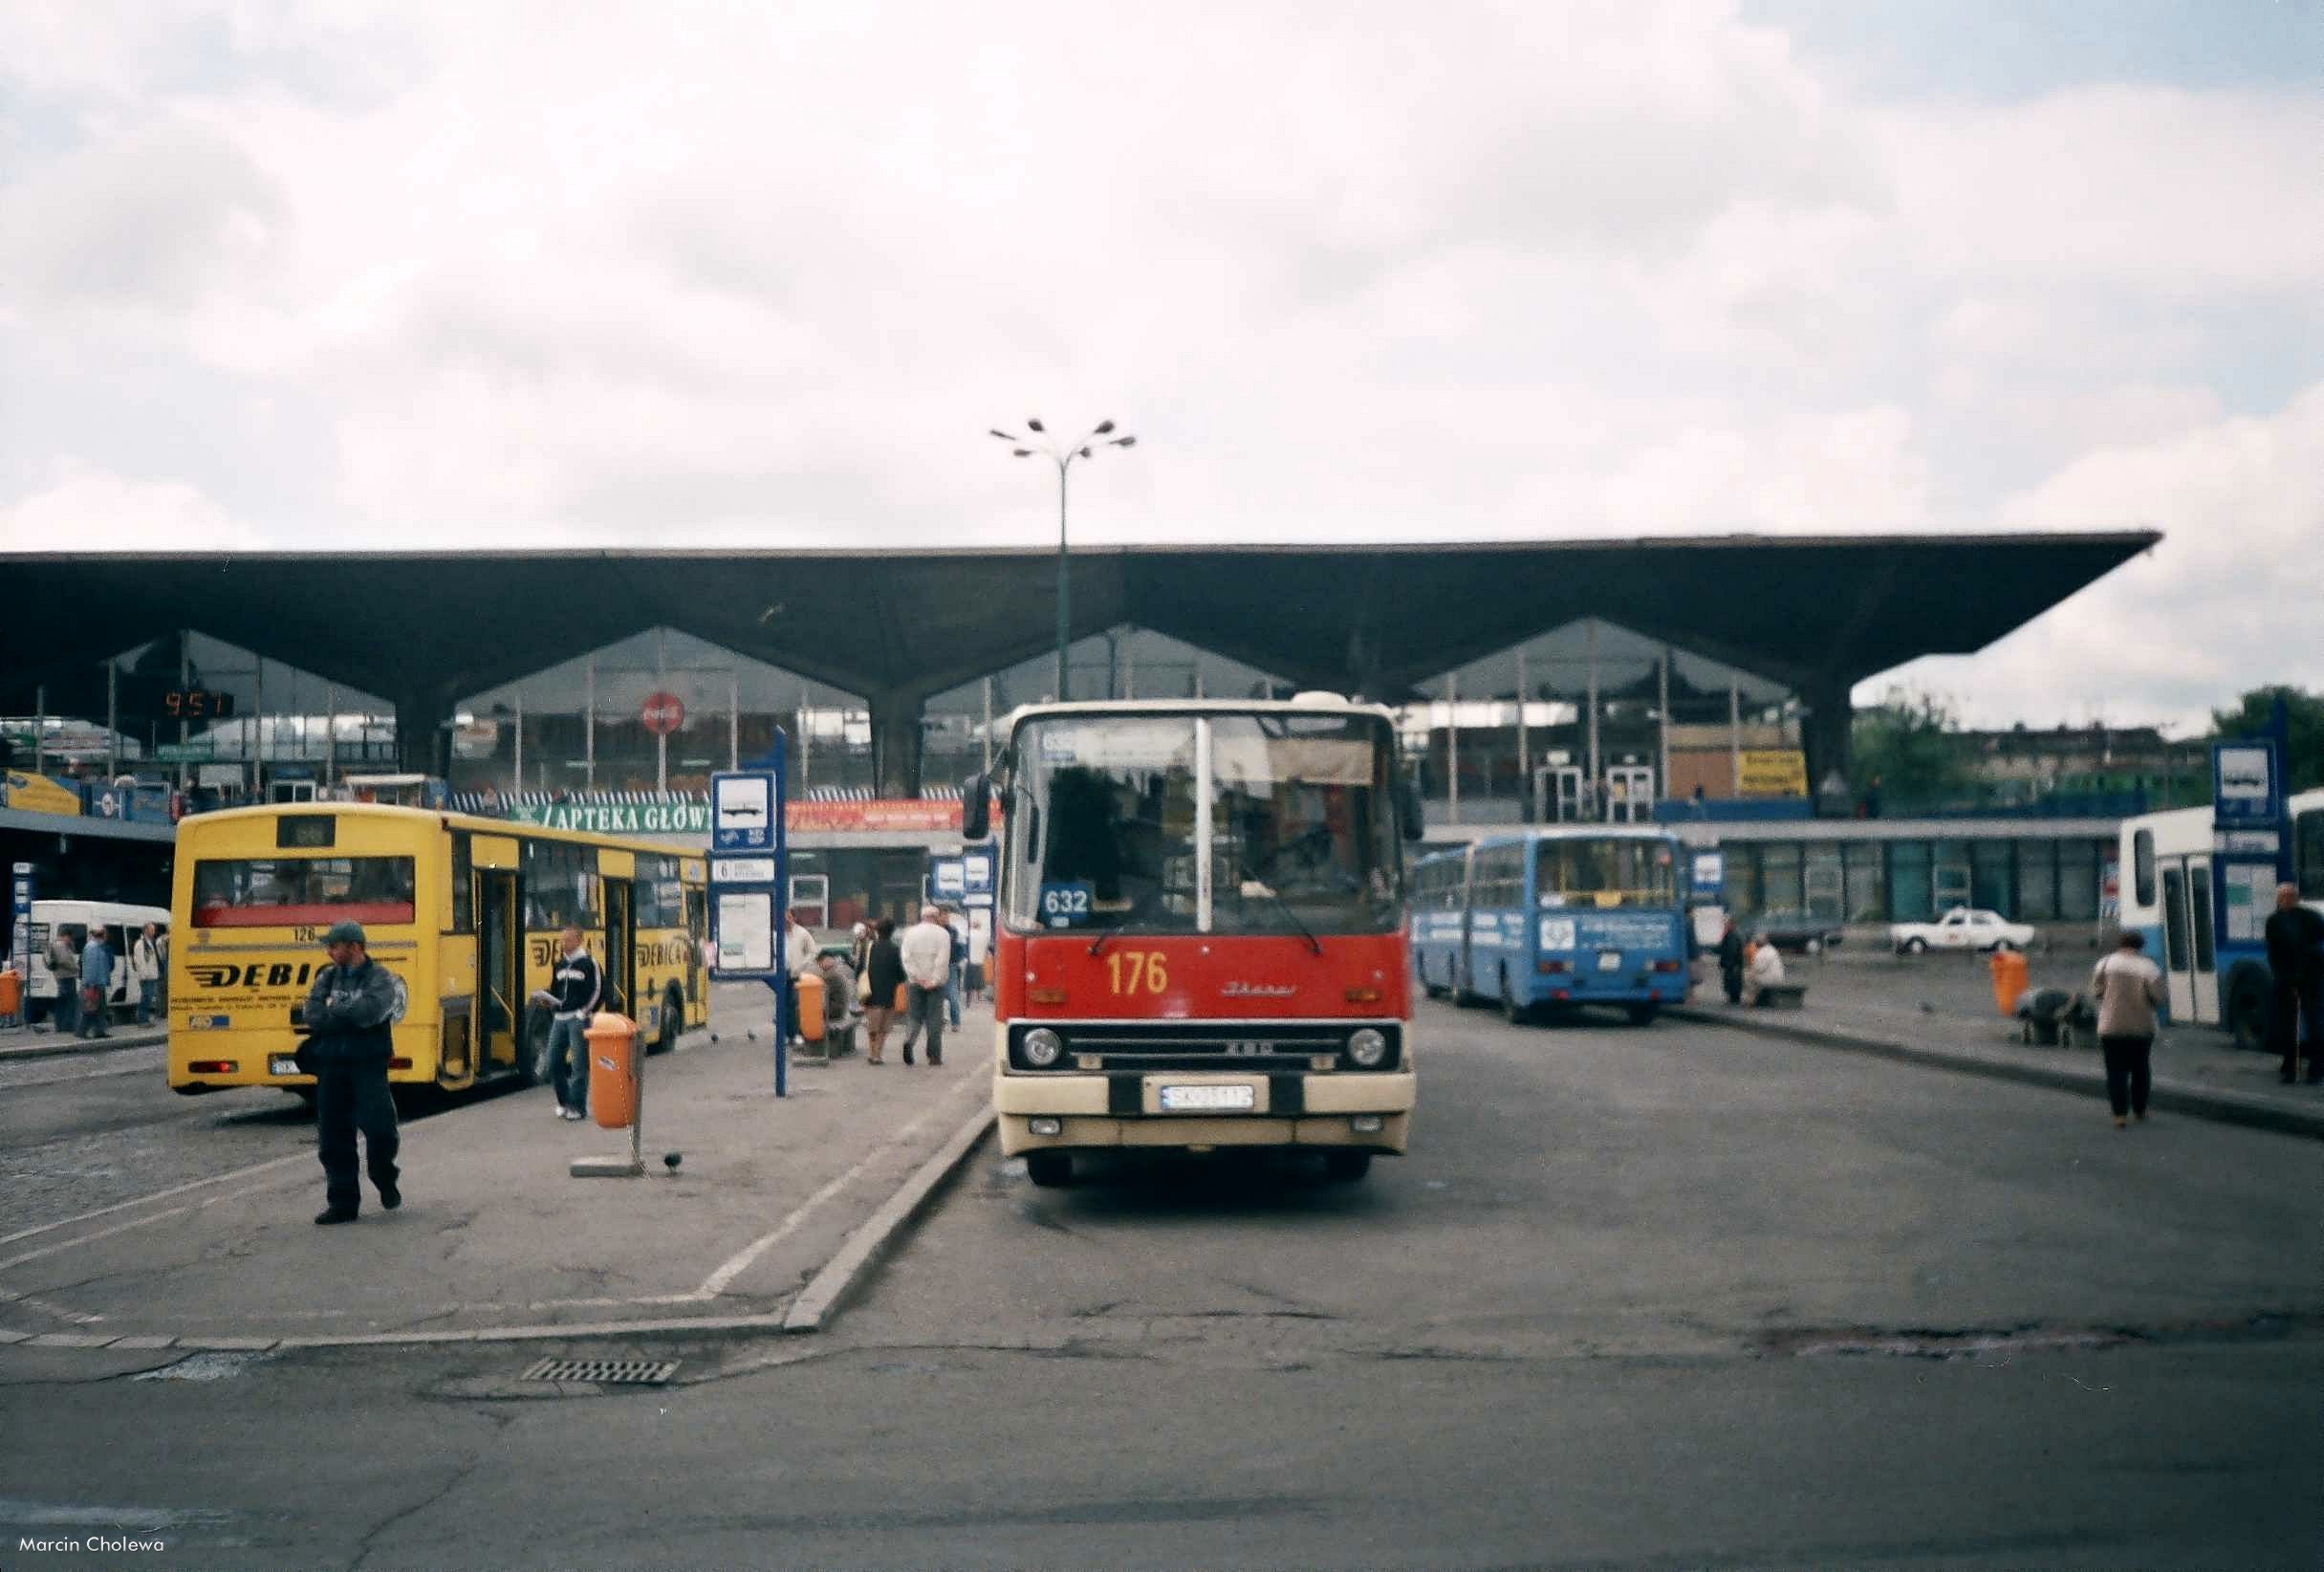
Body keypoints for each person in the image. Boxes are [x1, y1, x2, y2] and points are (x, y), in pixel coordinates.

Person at [299, 920, 402, 1224]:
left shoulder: (381, 978)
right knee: (333, 1136)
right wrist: (343, 1012)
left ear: (355, 947)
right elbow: (312, 1014)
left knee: (380, 1128)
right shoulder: (327, 977)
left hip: (367, 1065)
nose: (329, 951)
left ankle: (384, 1175)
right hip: (331, 1064)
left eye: (335, 945)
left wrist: (335, 1010)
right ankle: (343, 1202)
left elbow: (370, 1012)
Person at [2090, 929, 2166, 1127]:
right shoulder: (2149, 967)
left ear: (2120, 944)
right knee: (2140, 1069)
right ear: (2140, 946)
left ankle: (2119, 1114)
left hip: (2110, 1025)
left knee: (2115, 1071)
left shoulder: (2105, 963)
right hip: (2141, 1027)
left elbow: (2096, 992)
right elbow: (2158, 997)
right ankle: (2140, 1109)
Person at [533, 926, 601, 1121]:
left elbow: (598, 991)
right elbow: (556, 991)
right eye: (562, 940)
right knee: (553, 1062)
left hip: (578, 1019)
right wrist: (548, 1001)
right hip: (559, 1018)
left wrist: (584, 1012)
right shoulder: (560, 965)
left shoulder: (590, 964)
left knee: (579, 1064)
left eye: (568, 940)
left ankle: (577, 1107)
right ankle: (564, 1102)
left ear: (579, 940)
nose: (564, 944)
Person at [2262, 884, 2324, 1084]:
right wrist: (2283, 977)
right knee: (2288, 1027)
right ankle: (2290, 1068)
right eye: (2283, 897)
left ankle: (2316, 1069)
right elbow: (2273, 953)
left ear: (2295, 898)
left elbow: (2317, 942)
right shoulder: (2273, 921)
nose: (2286, 900)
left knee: (2314, 1024)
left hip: (2310, 978)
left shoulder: (2310, 917)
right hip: (2286, 980)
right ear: (2279, 900)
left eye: (2290, 896)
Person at [897, 905, 952, 1067]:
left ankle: (909, 1040)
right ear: (936, 917)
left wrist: (916, 977)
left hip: (915, 982)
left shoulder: (910, 933)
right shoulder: (943, 934)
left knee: (914, 1016)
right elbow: (942, 961)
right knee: (935, 1019)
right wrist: (933, 980)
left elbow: (906, 958)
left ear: (922, 917)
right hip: (935, 984)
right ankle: (934, 1055)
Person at [861, 917, 903, 1065]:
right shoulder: (895, 949)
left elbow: (860, 968)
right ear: (892, 932)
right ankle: (878, 1054)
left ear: (877, 930)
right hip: (888, 994)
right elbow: (901, 974)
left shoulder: (869, 947)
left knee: (872, 1026)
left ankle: (872, 1052)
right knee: (883, 1028)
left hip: (870, 993)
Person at [783, 915, 816, 1046]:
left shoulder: (802, 933)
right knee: (783, 1006)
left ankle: (797, 1034)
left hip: (797, 974)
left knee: (796, 1005)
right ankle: (786, 1034)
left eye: (789, 917)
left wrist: (802, 964)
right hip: (782, 974)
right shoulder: (776, 933)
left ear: (794, 918)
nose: (787, 920)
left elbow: (812, 951)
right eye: (784, 918)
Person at [814, 949, 858, 1053]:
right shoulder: (837, 971)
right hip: (841, 1009)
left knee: (804, 1012)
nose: (819, 965)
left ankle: (812, 1043)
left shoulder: (830, 976)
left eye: (820, 962)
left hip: (835, 1011)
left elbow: (821, 996)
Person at [76, 925, 113, 1039]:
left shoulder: (96, 947)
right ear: (102, 935)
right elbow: (91, 968)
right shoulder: (93, 948)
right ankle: (81, 1031)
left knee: (100, 1009)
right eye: (105, 934)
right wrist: (91, 985)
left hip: (98, 983)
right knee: (91, 1009)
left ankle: (99, 1031)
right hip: (94, 984)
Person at [44, 926, 78, 1036]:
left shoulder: (54, 944)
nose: (71, 940)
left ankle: (60, 1025)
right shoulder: (61, 945)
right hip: (66, 976)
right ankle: (67, 1026)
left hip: (60, 976)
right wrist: (76, 968)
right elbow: (64, 960)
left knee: (62, 1002)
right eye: (70, 938)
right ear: (66, 936)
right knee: (70, 1002)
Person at [129, 922, 163, 1027]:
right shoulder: (140, 944)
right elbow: (139, 961)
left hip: (152, 975)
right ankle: (142, 1020)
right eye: (151, 930)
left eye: (154, 929)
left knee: (148, 999)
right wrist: (144, 975)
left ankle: (145, 1019)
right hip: (146, 977)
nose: (153, 932)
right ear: (145, 931)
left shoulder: (149, 942)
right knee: (145, 998)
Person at [944, 906, 969, 1029]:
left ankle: (956, 1022)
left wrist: (960, 959)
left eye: (946, 916)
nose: (946, 918)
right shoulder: (939, 930)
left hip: (950, 965)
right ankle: (941, 1020)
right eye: (943, 916)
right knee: (938, 995)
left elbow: (960, 946)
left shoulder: (953, 930)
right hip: (938, 965)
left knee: (952, 994)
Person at [1742, 936, 1785, 1007]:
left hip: (1769, 979)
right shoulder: (1772, 949)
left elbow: (1758, 968)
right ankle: (1753, 998)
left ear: (1758, 944)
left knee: (1746, 976)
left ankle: (1751, 1000)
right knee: (1750, 975)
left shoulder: (1762, 953)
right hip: (1778, 977)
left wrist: (1749, 967)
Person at [1717, 918, 1746, 1005]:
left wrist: (1727, 963)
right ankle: (1734, 1000)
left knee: (1732, 984)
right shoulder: (1734, 934)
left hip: (1732, 965)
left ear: (1731, 925)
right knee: (1734, 985)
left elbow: (1731, 950)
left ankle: (1733, 1001)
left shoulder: (1731, 935)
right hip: (1735, 965)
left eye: (1727, 924)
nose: (1725, 926)